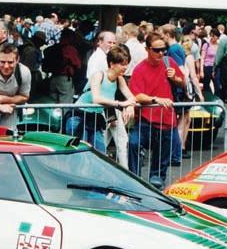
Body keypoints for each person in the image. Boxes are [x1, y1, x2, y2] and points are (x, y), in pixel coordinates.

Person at [128, 33, 184, 188]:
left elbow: (183, 83)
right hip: (146, 120)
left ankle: (156, 185)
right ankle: (134, 181)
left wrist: (175, 78)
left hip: (166, 120)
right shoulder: (140, 69)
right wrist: (155, 99)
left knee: (160, 164)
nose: (161, 53)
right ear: (147, 49)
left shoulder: (169, 62)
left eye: (163, 49)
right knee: (134, 144)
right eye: (157, 50)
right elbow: (136, 95)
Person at [71, 46, 135, 166]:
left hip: (96, 117)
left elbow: (131, 97)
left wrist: (130, 106)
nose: (125, 67)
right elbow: (97, 98)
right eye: (122, 64)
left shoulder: (119, 79)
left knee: (99, 153)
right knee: (81, 153)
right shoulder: (99, 75)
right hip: (80, 116)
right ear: (112, 64)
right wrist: (120, 104)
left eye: (126, 64)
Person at [42, 28, 81, 104]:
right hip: (65, 80)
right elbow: (78, 65)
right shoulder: (70, 49)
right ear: (70, 37)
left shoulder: (53, 48)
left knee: (52, 104)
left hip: (53, 79)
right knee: (65, 104)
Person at [200, 28, 220, 95]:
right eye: (211, 36)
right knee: (206, 85)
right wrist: (201, 71)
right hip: (207, 66)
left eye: (214, 36)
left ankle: (216, 98)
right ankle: (208, 97)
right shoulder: (206, 45)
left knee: (217, 85)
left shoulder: (219, 46)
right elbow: (202, 58)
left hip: (216, 67)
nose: (212, 37)